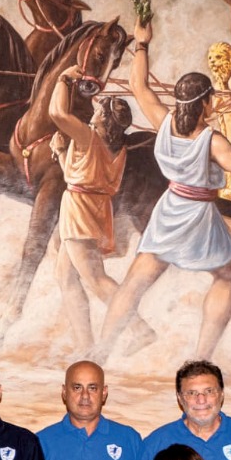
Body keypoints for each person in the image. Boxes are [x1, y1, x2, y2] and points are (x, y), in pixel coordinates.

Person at [95, 20, 231, 361]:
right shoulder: (212, 140)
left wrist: (143, 44)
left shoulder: (164, 123)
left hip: (169, 210)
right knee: (228, 278)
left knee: (134, 282)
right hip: (198, 217)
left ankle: (100, 352)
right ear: (207, 103)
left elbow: (138, 84)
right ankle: (202, 358)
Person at [47, 69, 145, 351]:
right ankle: (85, 347)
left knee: (96, 279)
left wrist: (63, 79)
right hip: (90, 207)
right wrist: (62, 152)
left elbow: (57, 113)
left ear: (105, 120)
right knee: (65, 276)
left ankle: (140, 329)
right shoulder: (116, 148)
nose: (94, 111)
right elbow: (76, 177)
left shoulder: (88, 137)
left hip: (80, 211)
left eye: (99, 110)